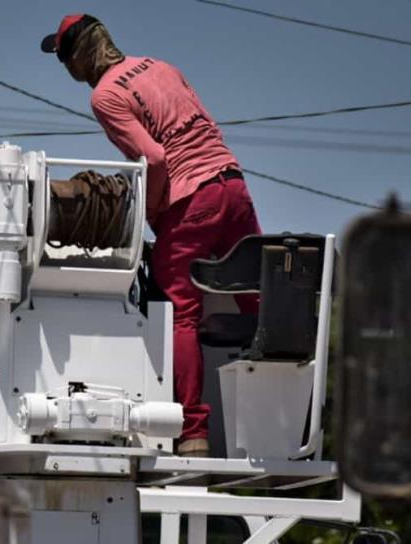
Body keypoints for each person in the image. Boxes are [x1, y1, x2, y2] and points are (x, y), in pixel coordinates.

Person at [41, 14, 262, 457]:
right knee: (258, 296)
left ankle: (194, 433)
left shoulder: (106, 95)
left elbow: (156, 159)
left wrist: (152, 212)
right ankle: (276, 419)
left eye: (64, 58)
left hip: (189, 199)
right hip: (233, 184)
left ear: (77, 58)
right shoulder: (161, 66)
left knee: (180, 311)